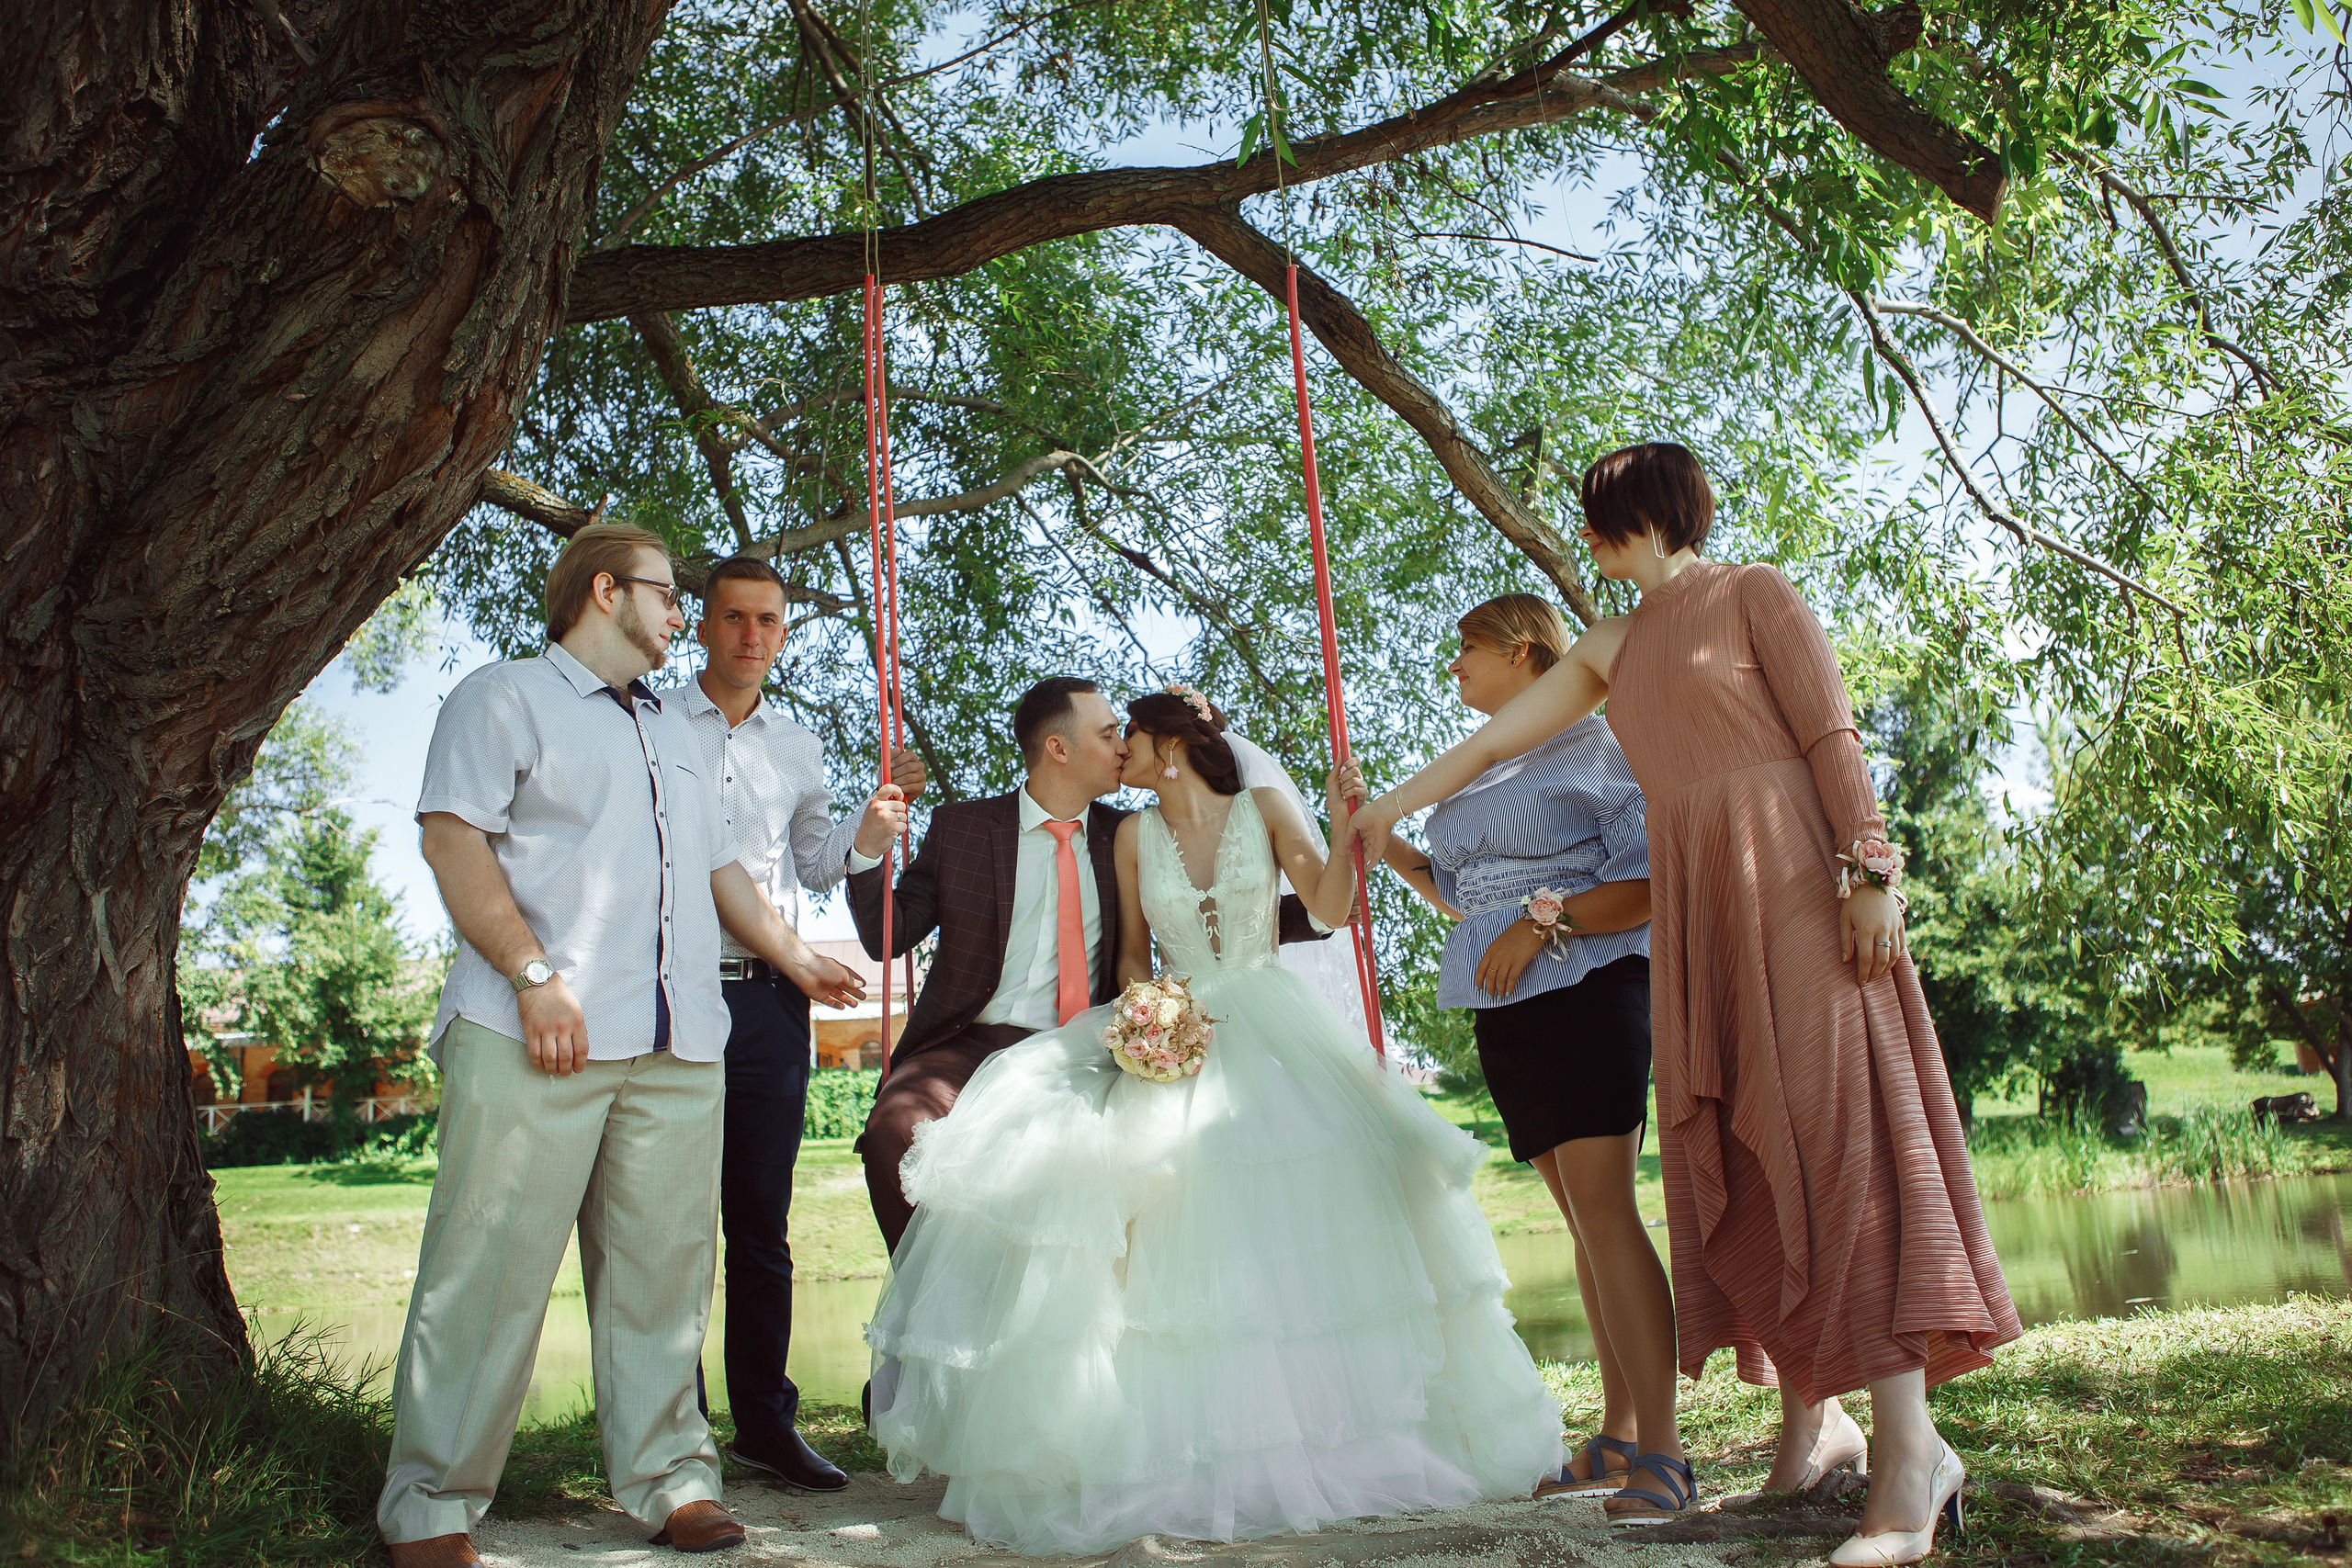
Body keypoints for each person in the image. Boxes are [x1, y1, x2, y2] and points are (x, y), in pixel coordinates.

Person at [1351, 445, 2019, 1558]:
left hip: (1799, 887)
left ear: (1648, 515)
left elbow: (1828, 733)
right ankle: (1820, 1424)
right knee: (1754, 1152)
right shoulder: (1614, 643)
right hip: (1702, 912)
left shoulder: (1753, 593)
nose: (1593, 541)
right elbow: (1497, 739)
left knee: (1837, 1134)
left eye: (1602, 520)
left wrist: (1868, 872)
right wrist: (1389, 807)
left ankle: (1914, 1456)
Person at [864, 686, 1564, 1554]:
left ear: (1167, 747)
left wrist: (1352, 833)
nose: (1118, 749)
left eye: (1129, 735)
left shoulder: (1254, 809)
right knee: (1133, 1190)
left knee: (1305, 1187)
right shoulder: (1125, 836)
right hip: (1166, 1021)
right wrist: (1149, 1024)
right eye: (1106, 734)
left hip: (1269, 1024)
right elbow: (1128, 960)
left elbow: (1331, 905)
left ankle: (1329, 1422)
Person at [378, 524, 867, 1567]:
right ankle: (432, 1505)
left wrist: (793, 959)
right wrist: (532, 976)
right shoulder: (503, 696)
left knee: (662, 1278)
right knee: (489, 1272)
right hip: (536, 1032)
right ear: (606, 591)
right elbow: (451, 836)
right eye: (668, 596)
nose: (683, 617)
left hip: (681, 1044)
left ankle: (671, 1481)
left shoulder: (682, 732)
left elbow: (720, 871)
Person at [845, 677, 1327, 1260]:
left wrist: (1328, 906)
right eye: (1107, 734)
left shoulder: (1128, 834)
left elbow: (1216, 901)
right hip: (970, 1041)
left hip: (1093, 1042)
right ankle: (929, 1317)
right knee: (895, 1129)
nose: (1124, 747)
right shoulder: (963, 829)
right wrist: (870, 848)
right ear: (1058, 749)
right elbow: (886, 934)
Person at [1368, 592, 1676, 1506]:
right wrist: (1381, 840)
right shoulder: (1471, 773)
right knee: (1580, 1223)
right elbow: (1470, 902)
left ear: (1520, 649)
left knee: (1608, 1214)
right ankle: (1618, 1435)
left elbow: (1646, 883)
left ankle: (1663, 1450)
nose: (1453, 666)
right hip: (1505, 1005)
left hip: (1587, 987)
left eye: (1466, 649)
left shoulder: (1600, 744)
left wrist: (1546, 924)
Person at [674, 555, 925, 1493]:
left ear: (783, 632)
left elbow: (819, 867)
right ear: (700, 625)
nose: (750, 636)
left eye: (768, 621)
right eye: (733, 618)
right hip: (672, 988)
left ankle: (765, 1427)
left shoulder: (798, 745)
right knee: (671, 1225)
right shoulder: (654, 724)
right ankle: (674, 1431)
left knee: (761, 1224)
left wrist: (872, 824)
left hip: (772, 1004)